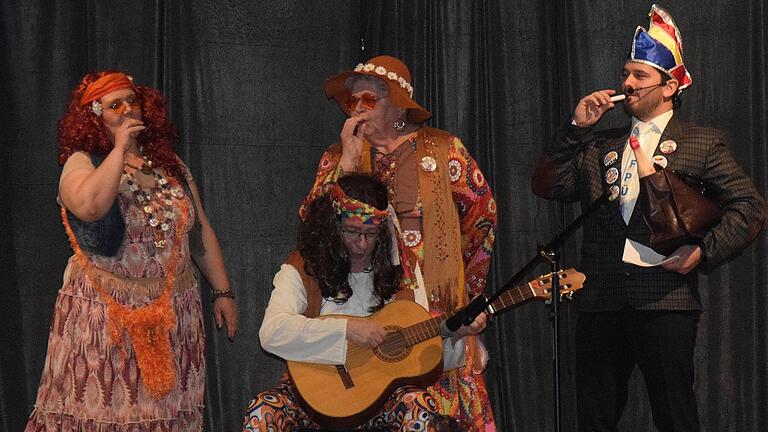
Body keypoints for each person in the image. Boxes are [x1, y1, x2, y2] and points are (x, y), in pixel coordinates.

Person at [531, 5, 766, 432]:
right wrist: (574, 129)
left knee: (675, 414)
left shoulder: (701, 142)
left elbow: (749, 207)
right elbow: (549, 186)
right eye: (626, 73)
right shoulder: (599, 144)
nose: (626, 83)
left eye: (639, 76)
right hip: (601, 301)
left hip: (666, 303)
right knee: (594, 417)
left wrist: (703, 250)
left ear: (670, 85)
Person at [25, 71, 238, 431]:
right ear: (95, 115)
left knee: (166, 414)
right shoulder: (83, 161)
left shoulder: (169, 165)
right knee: (108, 414)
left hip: (173, 312)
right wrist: (120, 150)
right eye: (114, 104)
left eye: (132, 101)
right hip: (107, 316)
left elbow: (198, 230)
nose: (127, 110)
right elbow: (89, 206)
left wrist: (222, 290)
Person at [300, 55, 498, 431]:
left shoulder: (445, 150)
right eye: (351, 102)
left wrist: (466, 295)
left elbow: (481, 220)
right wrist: (348, 167)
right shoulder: (337, 157)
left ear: (396, 103)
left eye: (367, 100)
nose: (356, 109)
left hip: (438, 315)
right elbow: (313, 226)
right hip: (369, 320)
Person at [243, 174, 486, 431]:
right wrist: (347, 329)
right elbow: (271, 333)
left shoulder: (403, 273)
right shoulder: (303, 267)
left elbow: (425, 361)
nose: (361, 244)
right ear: (332, 225)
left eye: (371, 234)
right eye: (352, 231)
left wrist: (456, 336)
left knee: (421, 409)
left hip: (382, 402)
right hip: (311, 401)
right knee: (263, 410)